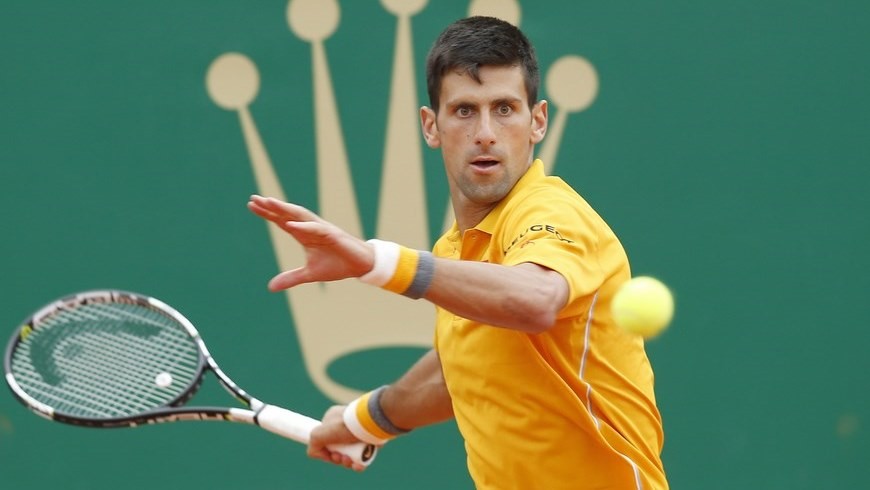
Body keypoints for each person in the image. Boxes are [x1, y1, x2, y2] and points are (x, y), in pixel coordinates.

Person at [248, 16, 668, 490]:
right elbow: (463, 369)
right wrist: (364, 421)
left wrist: (377, 262)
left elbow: (534, 300)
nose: (486, 132)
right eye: (465, 111)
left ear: (538, 121)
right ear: (432, 127)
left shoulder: (553, 212)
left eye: (505, 109)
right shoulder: (457, 249)